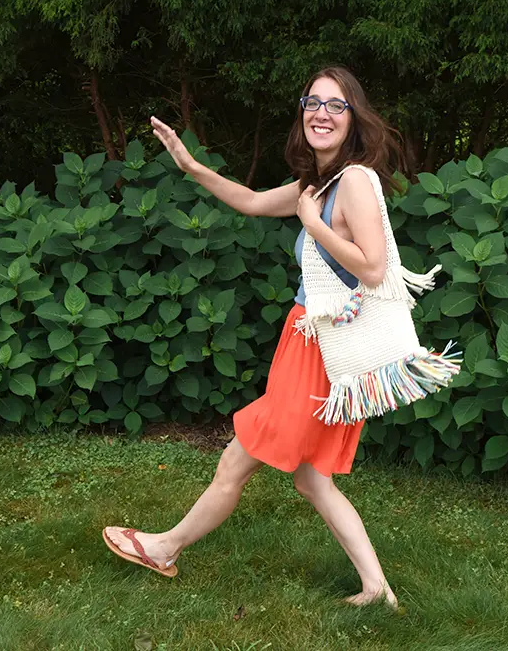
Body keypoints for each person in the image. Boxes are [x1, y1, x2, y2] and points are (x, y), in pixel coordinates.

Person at [103, 65, 404, 609]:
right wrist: (192, 166)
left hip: (322, 348)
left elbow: (375, 269)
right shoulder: (319, 184)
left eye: (336, 105)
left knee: (237, 460)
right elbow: (247, 200)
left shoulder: (354, 181)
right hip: (306, 339)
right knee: (314, 481)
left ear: (353, 119)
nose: (321, 113)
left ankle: (164, 548)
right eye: (313, 102)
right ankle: (378, 589)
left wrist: (312, 225)